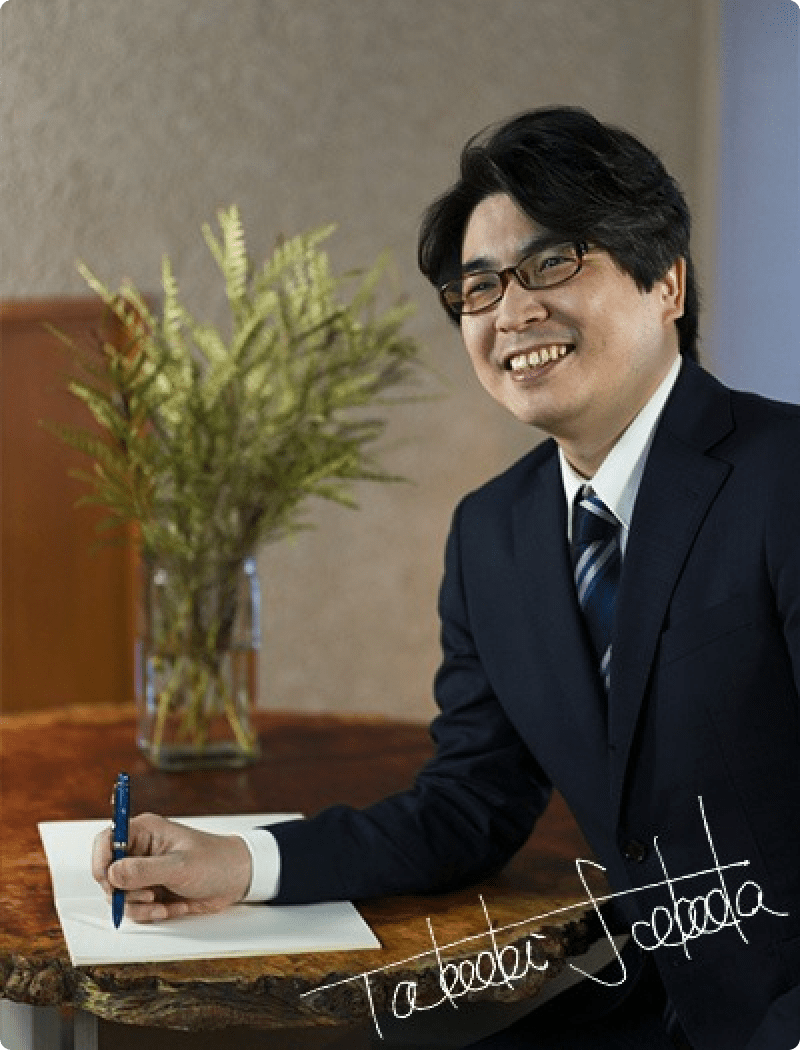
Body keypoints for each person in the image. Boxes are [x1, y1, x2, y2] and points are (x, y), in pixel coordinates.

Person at [93, 107, 800, 1050]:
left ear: (665, 281)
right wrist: (241, 861)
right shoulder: (492, 536)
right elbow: (469, 806)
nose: (512, 312)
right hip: (655, 1006)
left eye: (552, 263)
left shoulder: (783, 476)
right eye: (479, 287)